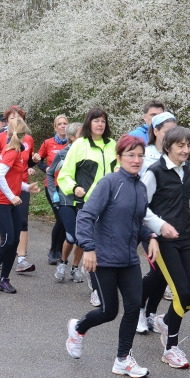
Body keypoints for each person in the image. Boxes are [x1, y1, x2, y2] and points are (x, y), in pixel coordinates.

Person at [66, 134, 158, 378]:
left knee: (133, 307)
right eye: (131, 155)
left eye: (140, 155)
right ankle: (78, 328)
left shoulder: (140, 187)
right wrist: (88, 248)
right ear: (119, 157)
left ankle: (122, 359)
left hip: (128, 259)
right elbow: (86, 216)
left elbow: (137, 222)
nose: (136, 160)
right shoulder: (109, 183)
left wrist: (152, 237)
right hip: (103, 258)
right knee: (109, 311)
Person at [143, 126, 190, 368]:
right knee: (182, 292)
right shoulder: (154, 172)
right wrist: (160, 226)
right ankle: (171, 349)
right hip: (163, 241)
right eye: (180, 145)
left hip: (185, 236)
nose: (186, 150)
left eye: (188, 145)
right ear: (168, 146)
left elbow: (180, 194)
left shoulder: (188, 169)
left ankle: (166, 319)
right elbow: (142, 206)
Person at [58, 108, 118, 307]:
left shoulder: (112, 145)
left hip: (110, 204)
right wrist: (74, 188)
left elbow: (120, 171)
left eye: (103, 121)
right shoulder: (80, 145)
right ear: (88, 124)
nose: (100, 124)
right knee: (94, 245)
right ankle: (96, 289)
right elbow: (64, 175)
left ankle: (92, 273)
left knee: (106, 247)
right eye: (96, 121)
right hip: (87, 204)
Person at [0, 117, 40, 295]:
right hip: (0, 202)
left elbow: (12, 178)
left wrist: (26, 187)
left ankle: (4, 280)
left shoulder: (19, 150)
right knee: (7, 241)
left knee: (14, 241)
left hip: (12, 200)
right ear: (24, 134)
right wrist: (12, 196)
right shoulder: (12, 151)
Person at [135, 112, 177, 334]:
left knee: (165, 271)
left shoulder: (176, 156)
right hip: (147, 220)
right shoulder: (145, 155)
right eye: (167, 130)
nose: (171, 135)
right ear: (156, 131)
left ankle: (151, 312)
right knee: (158, 268)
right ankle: (138, 310)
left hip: (170, 222)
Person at [48, 122, 84, 282]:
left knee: (83, 237)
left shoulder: (88, 152)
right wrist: (54, 193)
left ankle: (75, 269)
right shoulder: (63, 154)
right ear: (72, 137)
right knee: (71, 236)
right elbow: (50, 173)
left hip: (83, 199)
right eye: (81, 134)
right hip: (65, 199)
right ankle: (62, 263)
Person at [37, 115, 70, 265]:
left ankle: (59, 251)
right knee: (61, 218)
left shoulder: (73, 143)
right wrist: (46, 169)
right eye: (60, 124)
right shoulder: (48, 143)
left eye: (65, 124)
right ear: (55, 127)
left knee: (65, 220)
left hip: (68, 186)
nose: (63, 126)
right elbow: (38, 160)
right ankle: (53, 250)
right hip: (52, 186)